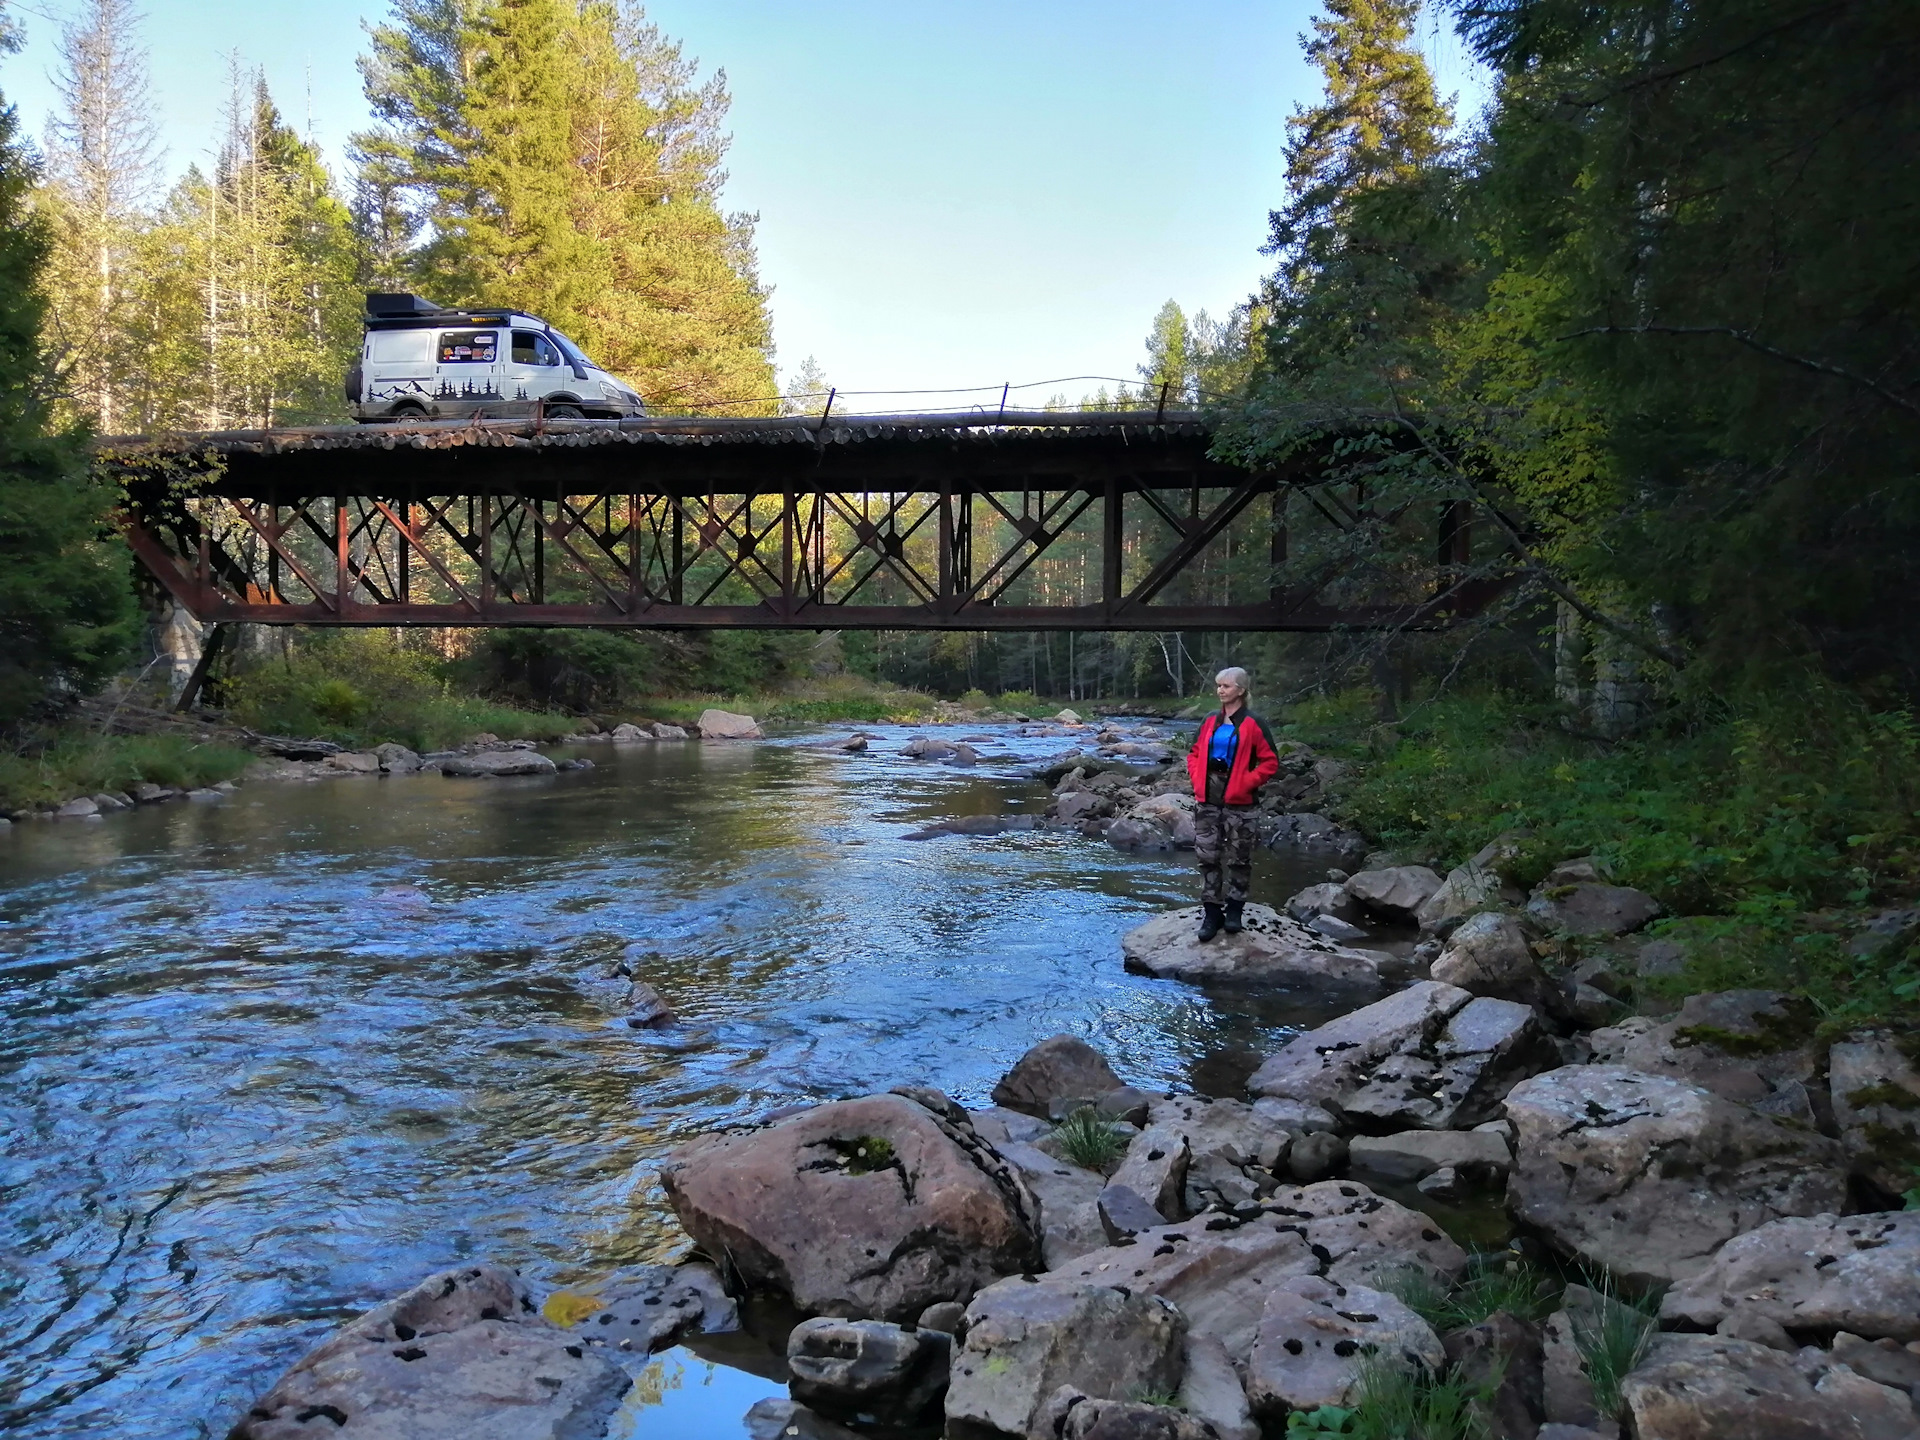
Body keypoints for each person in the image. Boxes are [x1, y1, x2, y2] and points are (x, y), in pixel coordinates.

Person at [1185, 666, 1281, 940]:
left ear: (1240, 689)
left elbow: (1270, 761)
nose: (1220, 690)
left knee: (1240, 859)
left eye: (1226, 686)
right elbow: (1193, 753)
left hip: (1241, 802)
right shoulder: (1209, 720)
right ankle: (1212, 913)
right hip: (1208, 799)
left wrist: (1245, 782)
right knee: (1207, 858)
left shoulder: (1253, 723)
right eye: (1218, 685)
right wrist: (1196, 778)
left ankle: (1235, 910)